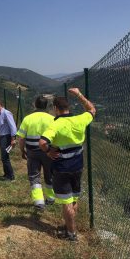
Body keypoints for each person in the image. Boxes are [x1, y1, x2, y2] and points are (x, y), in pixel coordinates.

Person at [39, 88, 96, 241]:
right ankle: (69, 226)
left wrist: (49, 152)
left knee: (66, 202)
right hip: (78, 166)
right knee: (74, 199)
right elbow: (91, 109)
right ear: (68, 108)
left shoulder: (55, 125)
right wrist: (78, 94)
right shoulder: (80, 119)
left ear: (55, 109)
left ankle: (71, 234)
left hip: (62, 168)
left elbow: (43, 142)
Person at [17, 96, 55, 211]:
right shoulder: (52, 119)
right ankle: (51, 198)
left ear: (35, 105)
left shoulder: (28, 119)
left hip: (32, 152)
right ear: (46, 105)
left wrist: (22, 150)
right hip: (48, 151)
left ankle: (39, 203)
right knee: (50, 175)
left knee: (34, 176)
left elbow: (21, 138)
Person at [0, 100, 17, 181]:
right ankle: (6, 174)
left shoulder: (6, 113)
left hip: (6, 137)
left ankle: (11, 176)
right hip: (2, 137)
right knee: (3, 157)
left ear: (0, 105)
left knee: (5, 157)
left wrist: (13, 139)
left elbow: (13, 126)